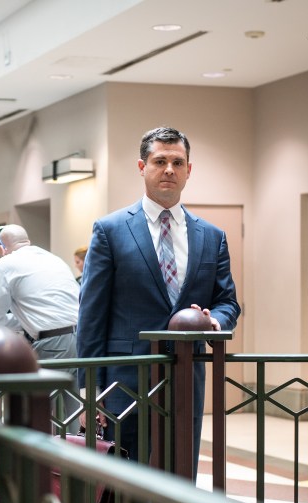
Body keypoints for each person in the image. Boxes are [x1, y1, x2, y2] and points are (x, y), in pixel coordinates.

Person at [77, 126, 241, 472]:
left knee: (181, 481)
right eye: (160, 161)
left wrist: (215, 321)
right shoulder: (110, 230)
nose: (169, 169)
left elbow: (229, 302)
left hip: (185, 380)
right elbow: (91, 316)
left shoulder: (212, 237)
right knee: (125, 491)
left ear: (188, 171)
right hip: (124, 387)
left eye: (177, 162)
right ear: (142, 167)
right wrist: (89, 390)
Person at [0, 224, 80, 429]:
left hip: (51, 343)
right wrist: (28, 322)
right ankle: (70, 458)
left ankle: (32, 460)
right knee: (72, 413)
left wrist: (22, 325)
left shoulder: (7, 263)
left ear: (2, 247)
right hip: (80, 338)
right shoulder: (54, 259)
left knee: (32, 413)